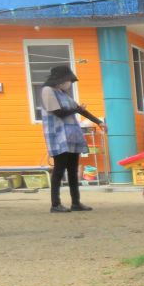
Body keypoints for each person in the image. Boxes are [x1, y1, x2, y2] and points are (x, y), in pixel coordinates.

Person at [39, 65, 104, 213]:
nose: (69, 83)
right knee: (59, 170)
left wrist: (98, 122)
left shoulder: (63, 94)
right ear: (60, 79)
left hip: (71, 136)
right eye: (68, 79)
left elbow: (82, 111)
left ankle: (76, 202)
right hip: (58, 136)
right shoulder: (47, 90)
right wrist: (77, 109)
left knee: (73, 170)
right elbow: (58, 112)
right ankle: (55, 204)